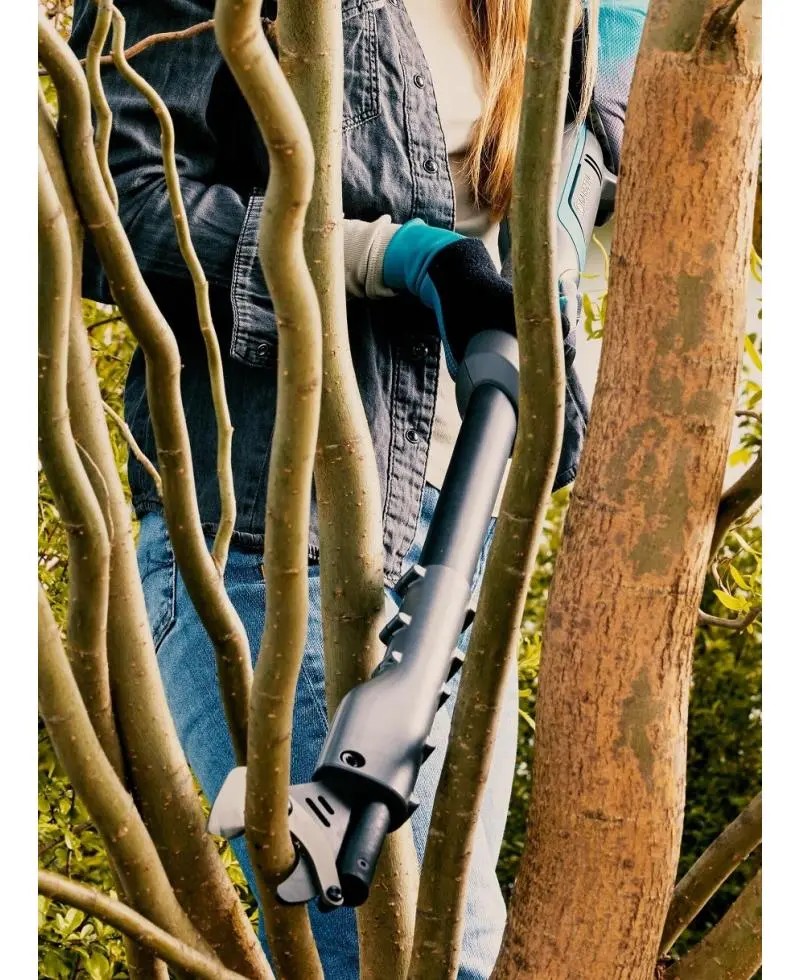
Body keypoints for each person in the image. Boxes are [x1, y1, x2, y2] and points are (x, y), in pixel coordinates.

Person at [69, 1, 646, 976]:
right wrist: (394, 257)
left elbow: (596, 165)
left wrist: (605, 91)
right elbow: (116, 206)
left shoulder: (543, 17)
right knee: (423, 952)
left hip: (461, 539)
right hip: (270, 528)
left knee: (455, 939)